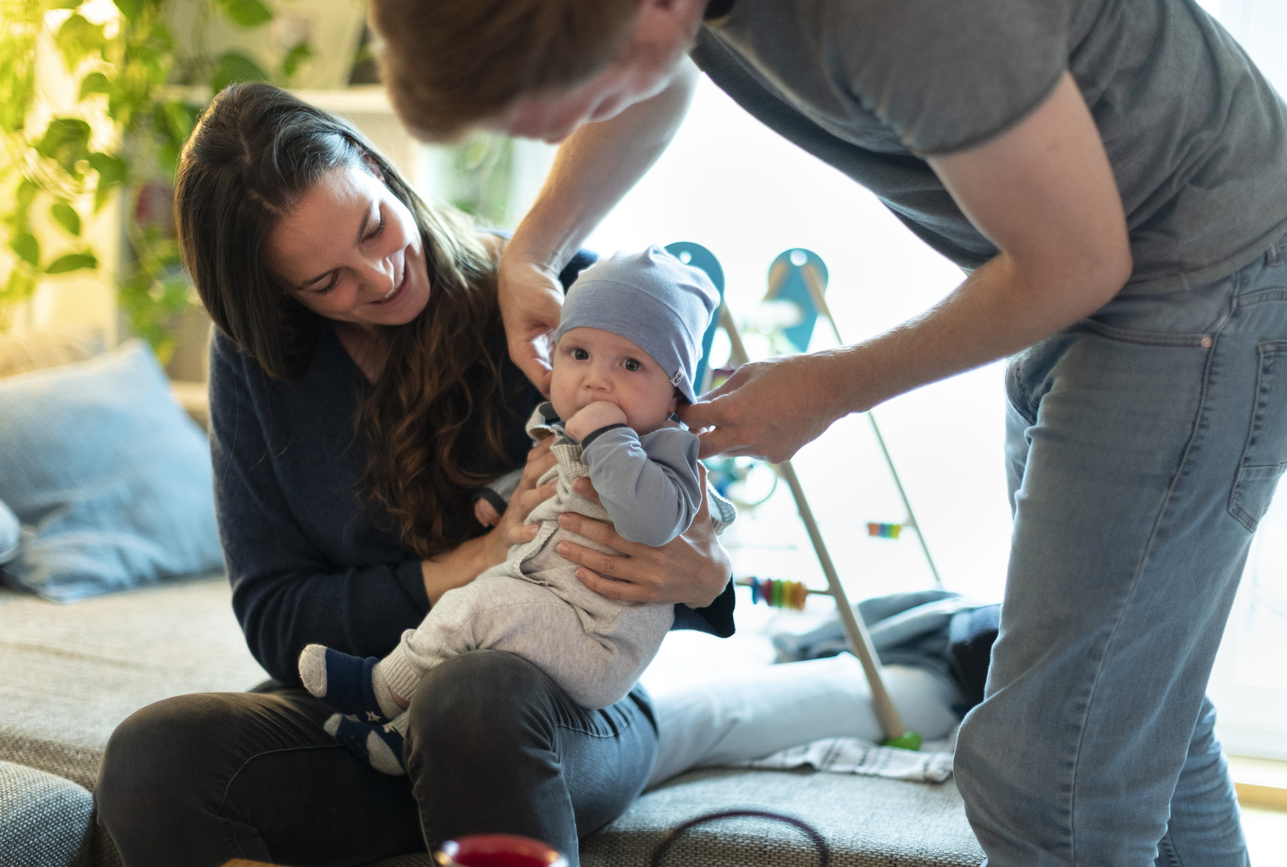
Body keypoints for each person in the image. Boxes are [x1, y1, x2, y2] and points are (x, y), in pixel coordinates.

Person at [365, 1, 1287, 864]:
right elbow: (658, 72)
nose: (551, 133)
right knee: (1126, 705)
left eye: (561, 102)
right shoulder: (669, 18)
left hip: (1192, 277)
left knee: (1049, 769)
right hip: (1095, 282)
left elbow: (1077, 258)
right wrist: (534, 246)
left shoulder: (899, 18)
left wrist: (834, 386)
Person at [91, 81, 962, 867]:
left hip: (549, 716)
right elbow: (277, 616)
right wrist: (468, 562)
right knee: (154, 755)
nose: (383, 274)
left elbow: (691, 509)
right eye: (328, 281)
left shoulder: (565, 307)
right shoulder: (258, 365)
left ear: (376, 166)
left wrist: (706, 575)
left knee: (470, 700)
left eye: (374, 227)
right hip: (369, 720)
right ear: (279, 299)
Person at [296, 245, 731, 775]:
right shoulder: (560, 430)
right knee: (465, 644)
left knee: (478, 607)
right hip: (546, 608)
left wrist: (609, 436)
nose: (596, 379)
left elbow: (651, 519)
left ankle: (380, 687)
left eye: (632, 364)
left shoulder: (668, 451)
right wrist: (499, 497)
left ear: (673, 397)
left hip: (597, 640)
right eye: (579, 355)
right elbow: (545, 474)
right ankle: (401, 738)